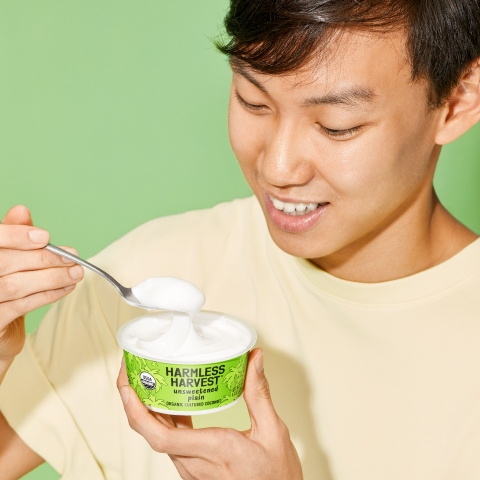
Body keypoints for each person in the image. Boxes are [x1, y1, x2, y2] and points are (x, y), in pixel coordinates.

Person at [1, 0, 480, 478]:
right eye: (254, 101)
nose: (277, 167)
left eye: (338, 126)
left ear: (458, 101)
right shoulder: (144, 276)